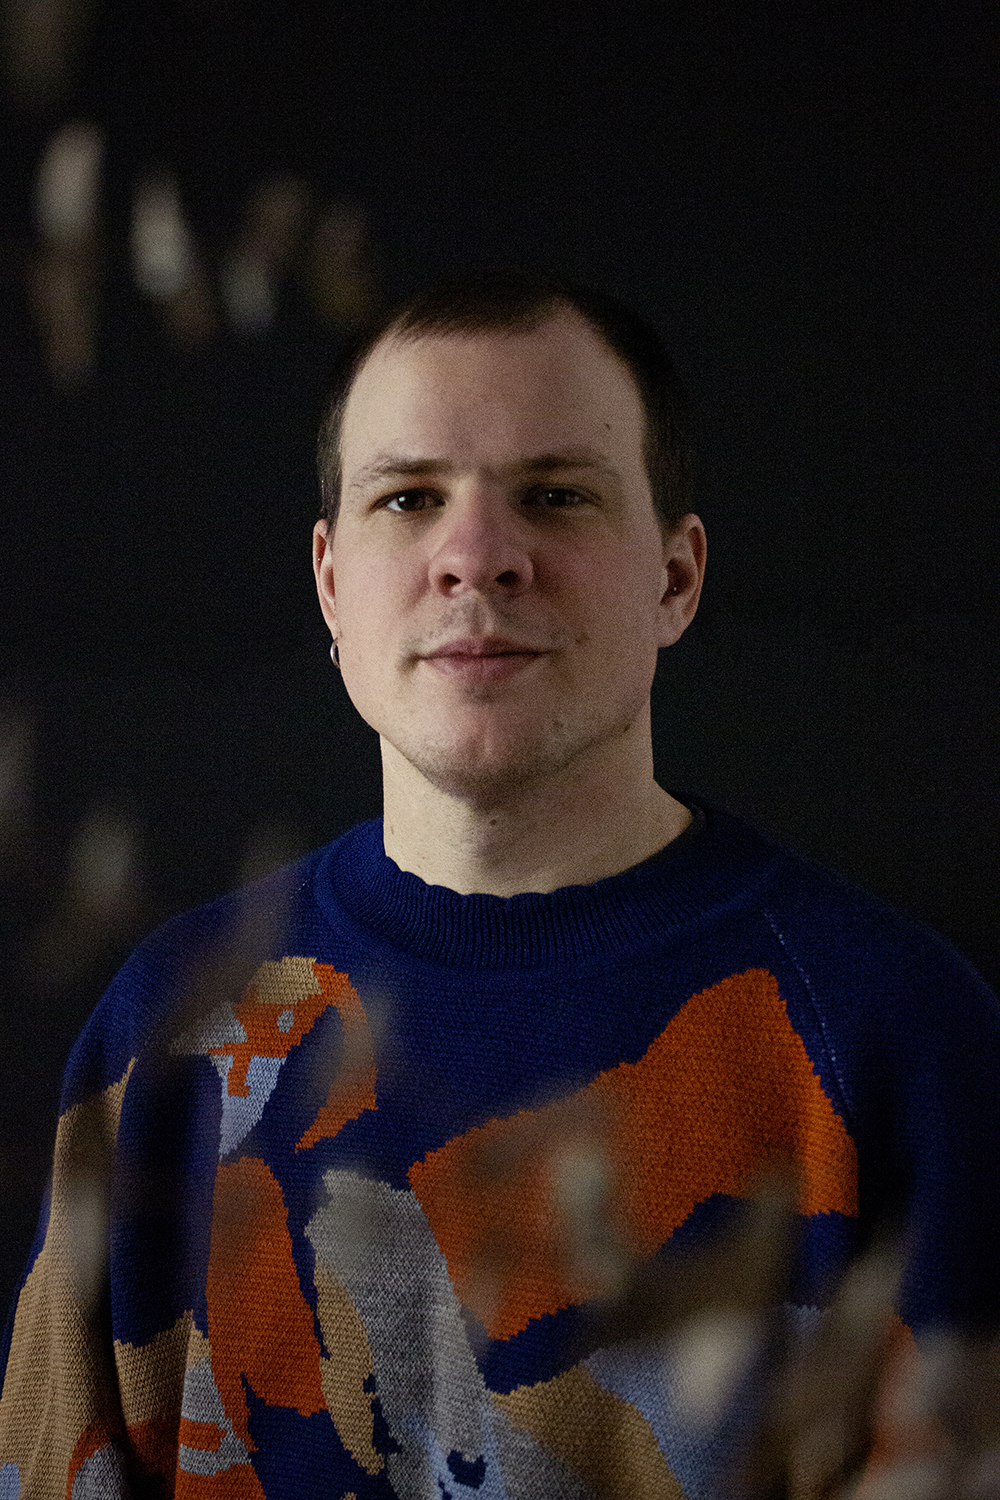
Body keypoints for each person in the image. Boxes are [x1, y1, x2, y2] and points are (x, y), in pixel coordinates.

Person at [1, 272, 997, 1498]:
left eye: (556, 495)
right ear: (331, 584)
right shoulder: (172, 1032)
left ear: (675, 579)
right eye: (408, 498)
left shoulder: (896, 1040)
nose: (476, 557)